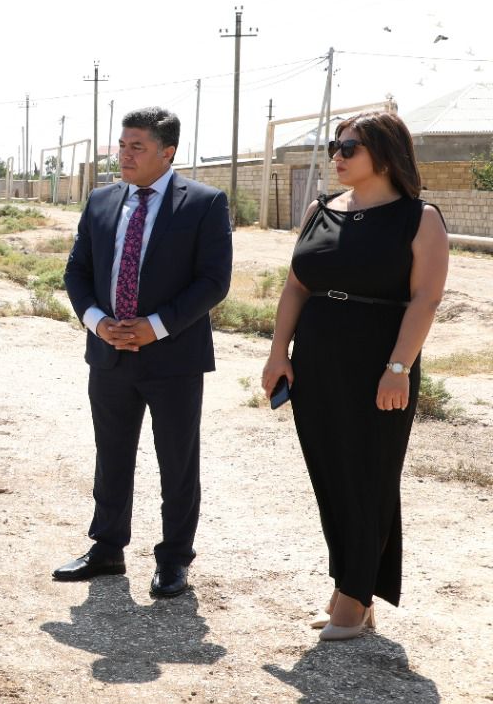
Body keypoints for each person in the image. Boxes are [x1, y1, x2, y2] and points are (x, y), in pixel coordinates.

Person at [261, 112, 448, 641]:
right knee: (331, 474)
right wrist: (278, 352)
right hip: (316, 360)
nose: (337, 156)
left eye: (350, 148)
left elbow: (425, 300)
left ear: (384, 155)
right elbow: (296, 286)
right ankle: (350, 585)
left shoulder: (419, 218)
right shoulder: (320, 210)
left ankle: (355, 596)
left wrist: (399, 368)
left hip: (379, 363)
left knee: (369, 477)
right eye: (334, 146)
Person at [58, 106, 232, 598]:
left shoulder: (204, 203)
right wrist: (98, 322)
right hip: (109, 353)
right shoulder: (101, 200)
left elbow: (213, 281)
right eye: (122, 145)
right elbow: (77, 272)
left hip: (173, 358)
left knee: (177, 460)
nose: (125, 155)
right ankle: (107, 548)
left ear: (167, 152)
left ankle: (174, 558)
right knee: (111, 454)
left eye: (137, 146)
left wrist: (155, 328)